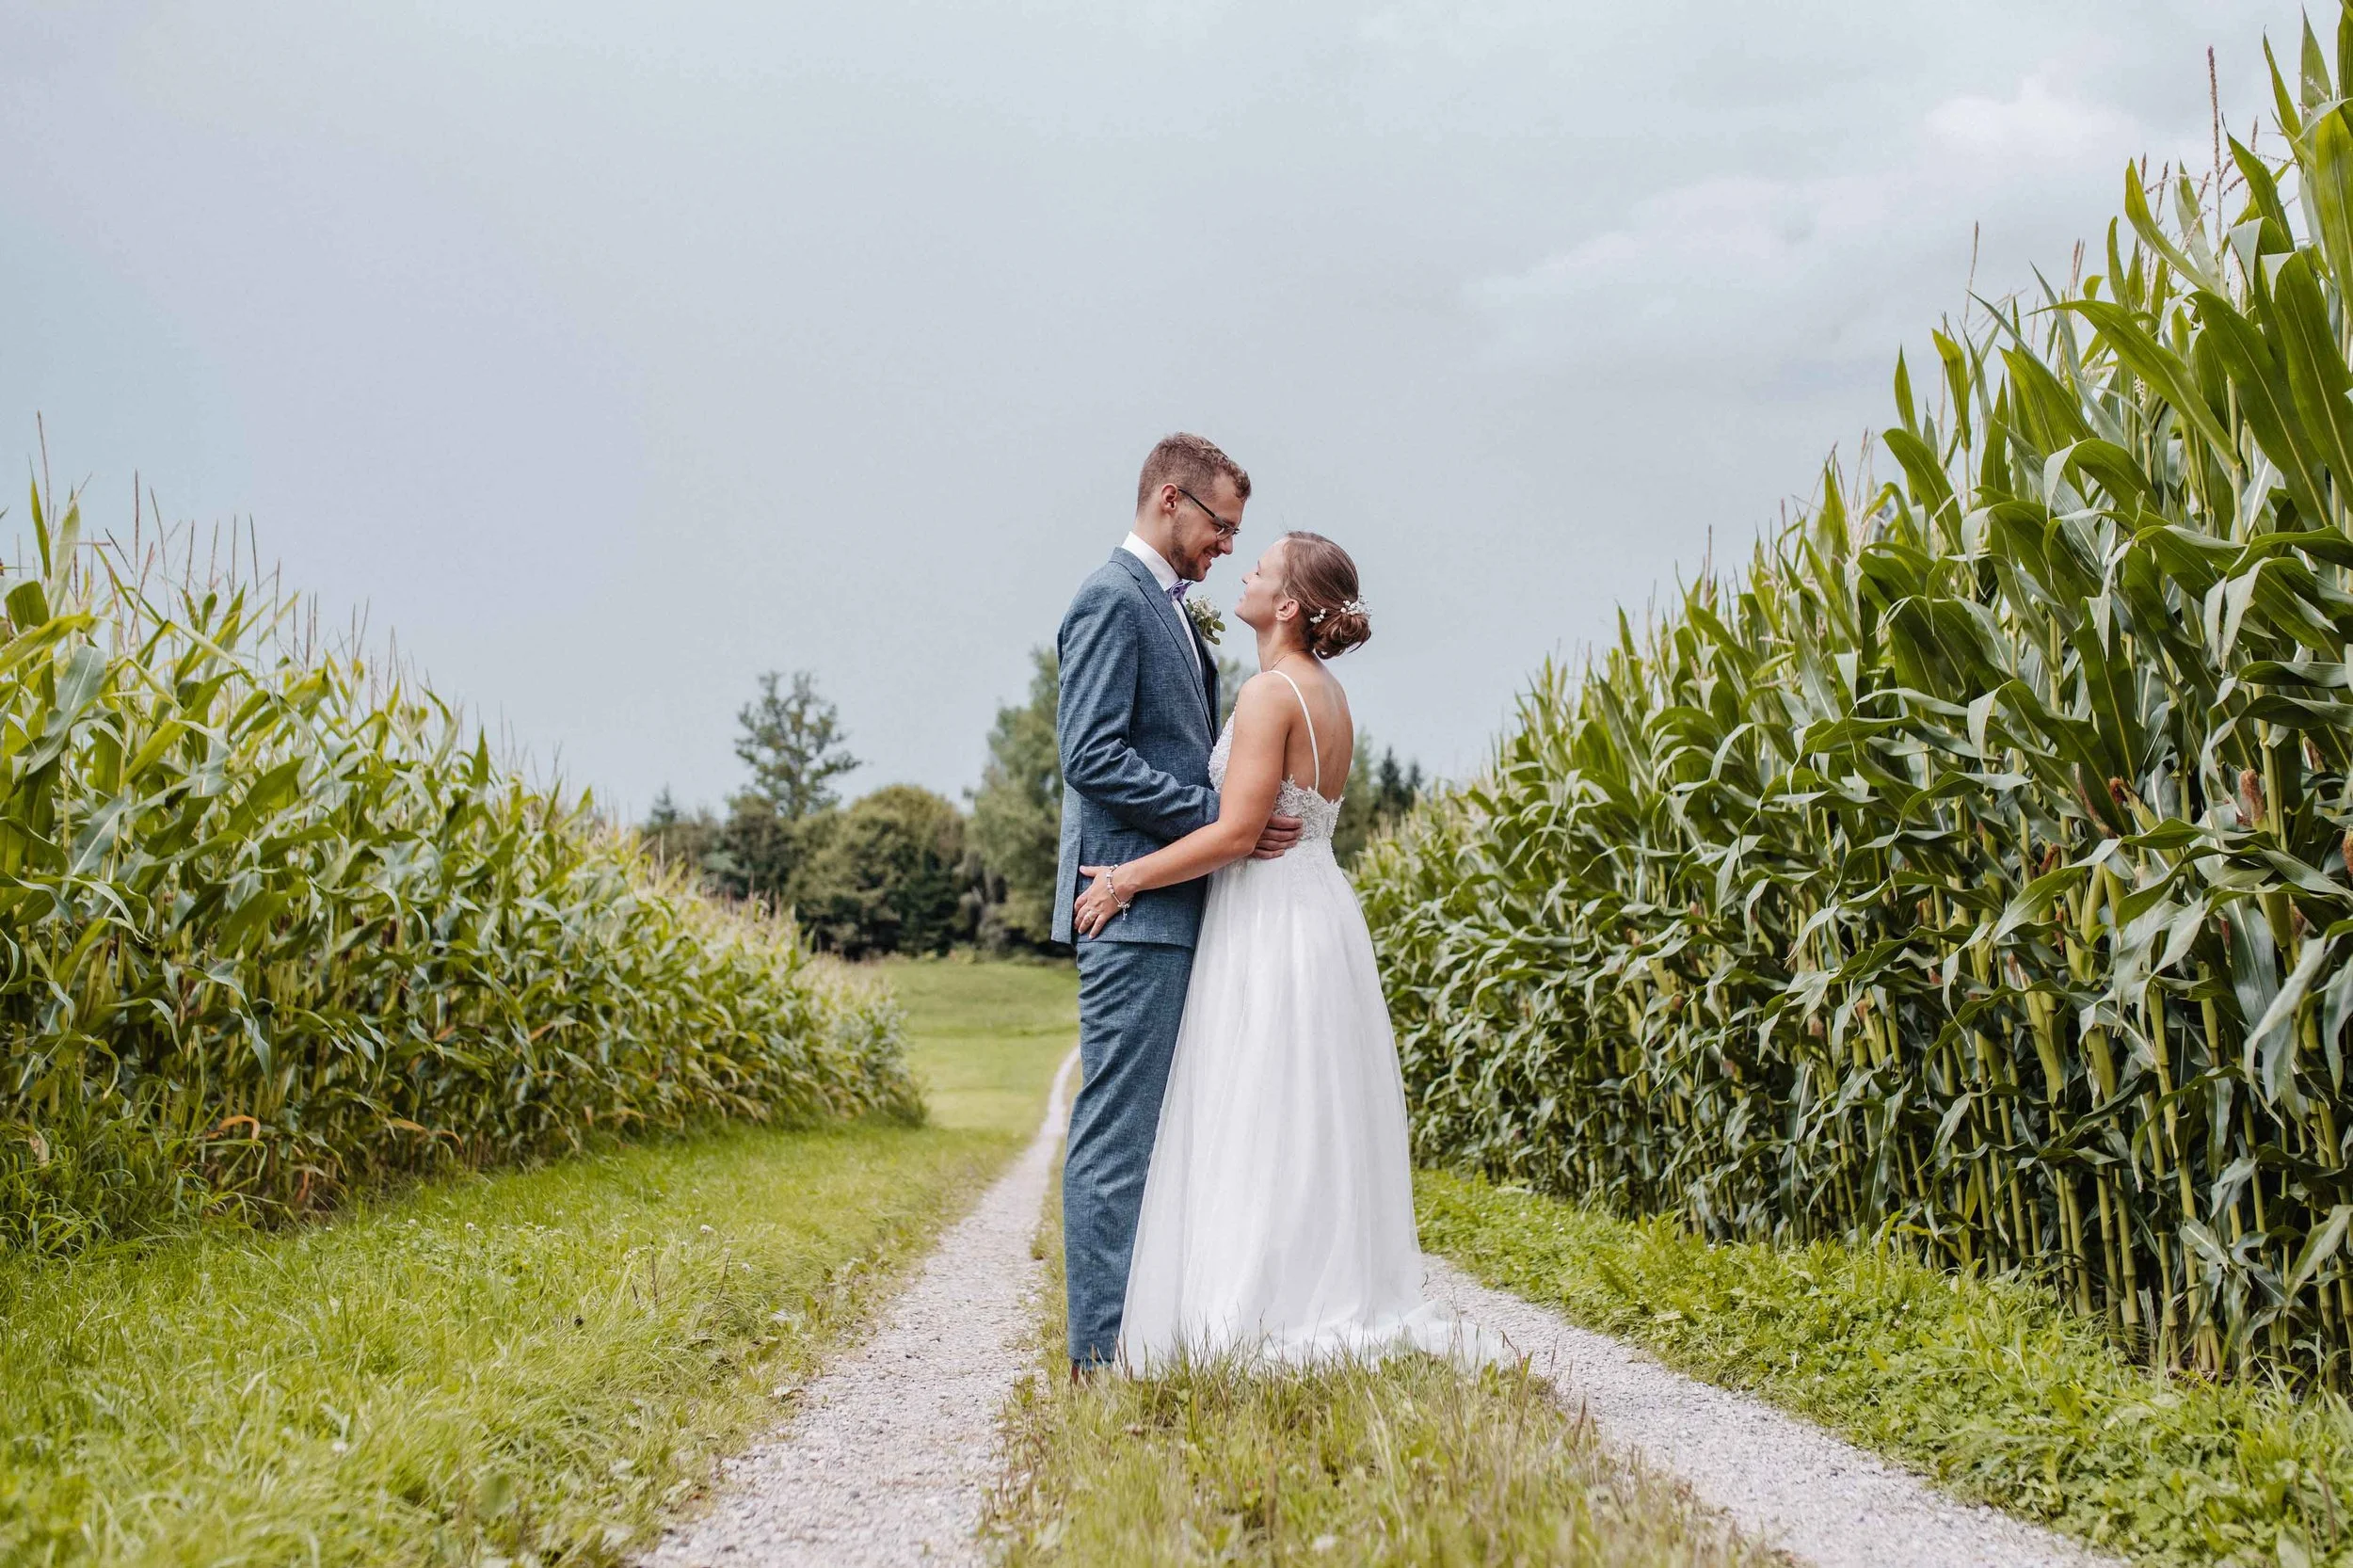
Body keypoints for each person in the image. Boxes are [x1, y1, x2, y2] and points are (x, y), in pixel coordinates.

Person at [1073, 531, 1490, 1368]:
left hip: (1267, 916)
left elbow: (1234, 834)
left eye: (1261, 567)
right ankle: (1315, 1285)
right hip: (1320, 910)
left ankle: (1258, 1308)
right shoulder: (1327, 693)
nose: (1247, 571)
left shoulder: (1270, 694)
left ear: (1290, 604)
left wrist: (1124, 881)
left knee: (1258, 1107)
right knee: (1304, 1113)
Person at [1052, 433, 1302, 1374]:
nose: (1227, 546)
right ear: (1169, 500)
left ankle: (1147, 1337)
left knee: (1162, 1134)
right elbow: (1091, 756)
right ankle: (1098, 1359)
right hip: (1128, 908)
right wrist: (1218, 814)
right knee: (1118, 1134)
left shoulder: (1169, 610)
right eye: (1219, 526)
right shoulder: (1110, 600)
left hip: (1174, 903)